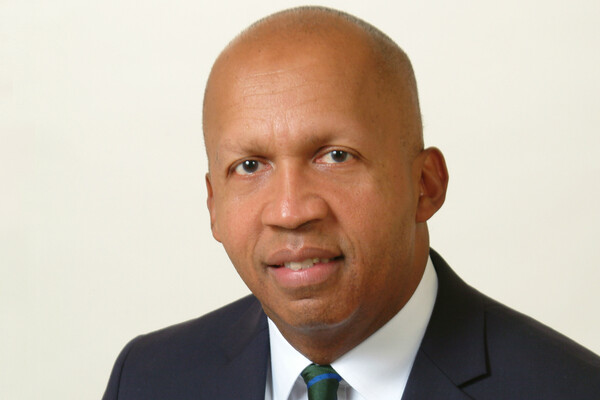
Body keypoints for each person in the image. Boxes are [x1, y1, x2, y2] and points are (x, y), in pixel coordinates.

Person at [102, 6, 600, 399]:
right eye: (250, 166)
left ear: (425, 185)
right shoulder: (148, 380)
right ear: (212, 204)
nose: (290, 211)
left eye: (335, 156)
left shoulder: (570, 389)